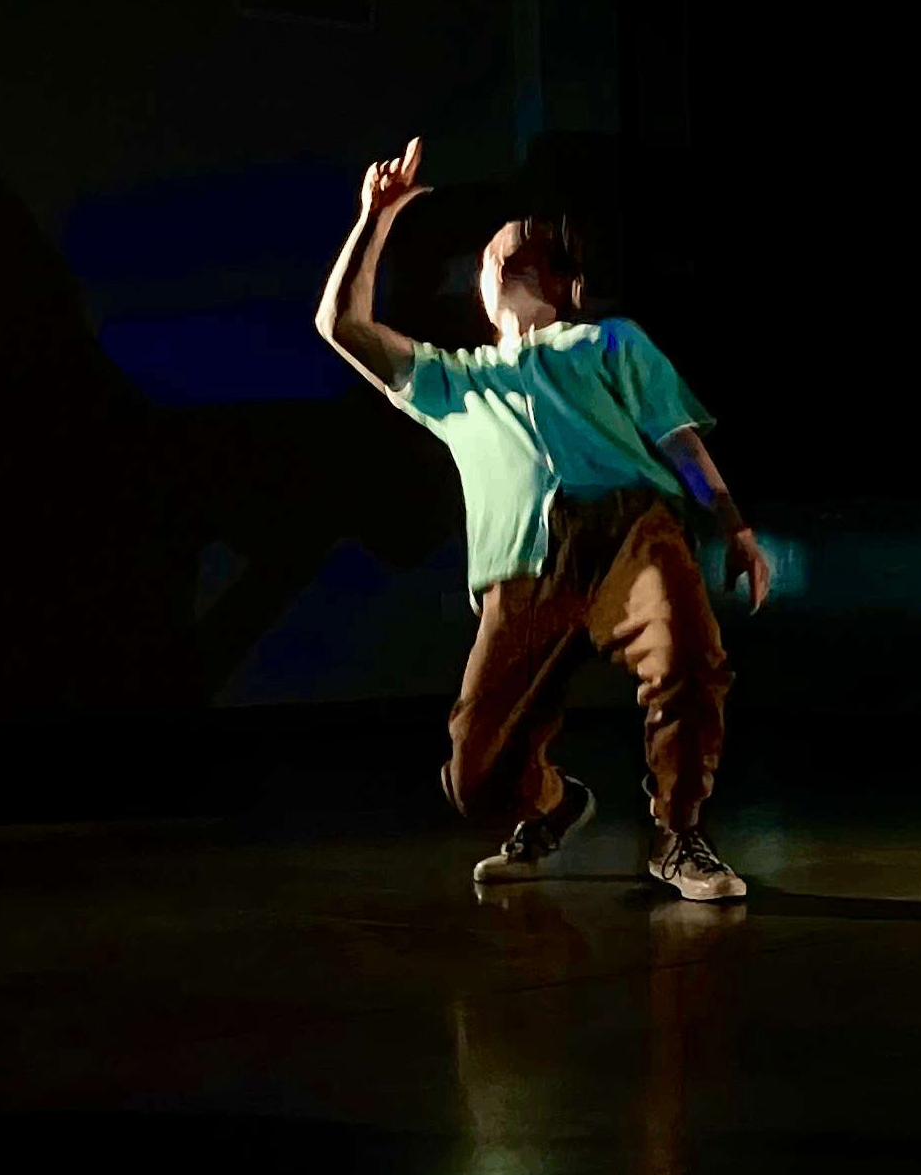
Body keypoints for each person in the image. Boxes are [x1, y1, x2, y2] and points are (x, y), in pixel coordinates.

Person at [314, 137, 772, 899]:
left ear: (567, 282)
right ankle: (552, 804)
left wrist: (734, 524)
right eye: (497, 252)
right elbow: (341, 325)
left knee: (688, 653)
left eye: (530, 248)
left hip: (629, 532)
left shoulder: (609, 340)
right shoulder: (456, 380)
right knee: (474, 774)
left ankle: (678, 832)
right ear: (482, 288)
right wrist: (376, 219)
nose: (509, 250)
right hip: (522, 568)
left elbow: (676, 435)